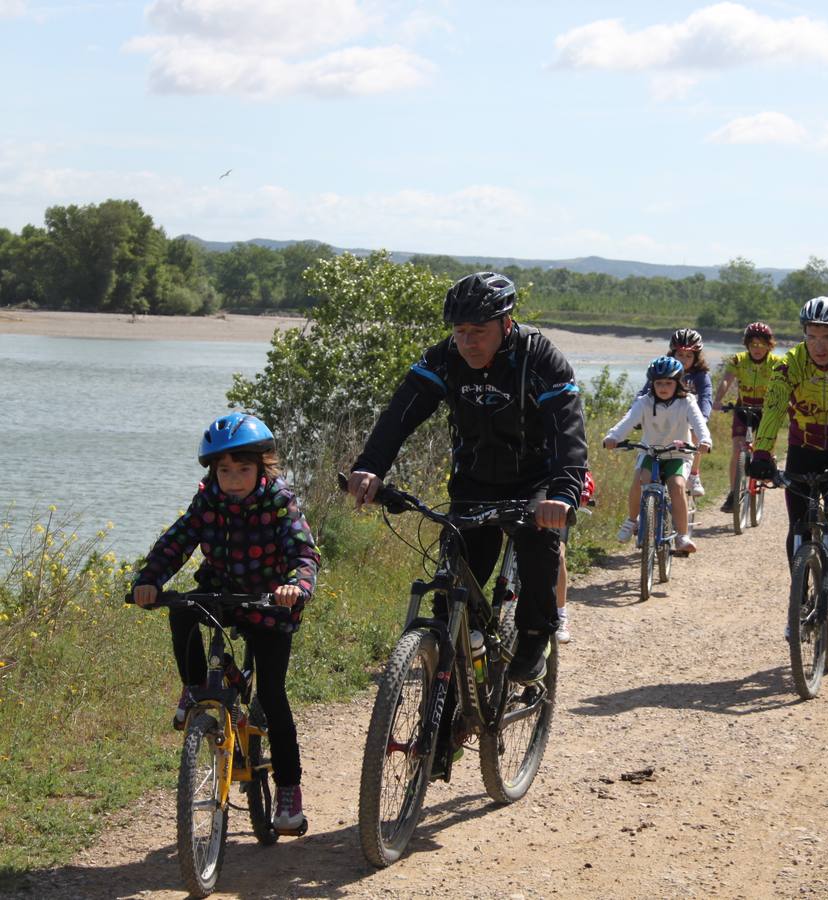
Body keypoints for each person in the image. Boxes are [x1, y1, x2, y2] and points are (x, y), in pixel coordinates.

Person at [347, 271, 586, 685]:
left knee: (536, 545)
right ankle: (448, 714)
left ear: (506, 325)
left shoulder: (540, 357)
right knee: (452, 595)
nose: (468, 342)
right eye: (460, 331)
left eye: (479, 331)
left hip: (537, 481)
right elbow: (400, 414)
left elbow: (568, 428)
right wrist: (370, 466)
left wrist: (564, 492)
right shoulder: (445, 358)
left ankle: (534, 636)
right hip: (474, 480)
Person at [133, 413, 320, 834]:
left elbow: (304, 553)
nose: (233, 479)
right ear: (213, 471)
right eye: (224, 470)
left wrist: (295, 586)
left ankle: (288, 791)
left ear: (262, 467)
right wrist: (149, 579)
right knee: (181, 607)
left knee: (272, 695)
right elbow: (177, 540)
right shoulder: (208, 500)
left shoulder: (279, 500)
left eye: (243, 469)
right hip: (221, 594)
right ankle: (197, 687)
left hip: (270, 603)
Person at [747, 297, 828, 586]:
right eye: (811, 337)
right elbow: (774, 407)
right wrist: (761, 453)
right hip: (804, 444)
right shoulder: (791, 364)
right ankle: (800, 593)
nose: (818, 346)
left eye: (826, 337)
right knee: (797, 526)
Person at [604, 356, 712, 554]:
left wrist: (705, 440)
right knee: (639, 480)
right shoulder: (644, 402)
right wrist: (613, 436)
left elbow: (699, 423)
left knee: (678, 485)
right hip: (650, 452)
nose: (663, 387)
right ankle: (631, 520)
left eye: (668, 383)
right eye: (659, 383)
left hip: (678, 455)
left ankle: (681, 535)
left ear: (677, 383)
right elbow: (628, 421)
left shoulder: (687, 401)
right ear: (652, 384)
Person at [712, 321, 784, 514]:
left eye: (761, 344)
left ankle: (770, 463)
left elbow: (785, 384)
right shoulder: (738, 360)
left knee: (764, 448)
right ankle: (733, 493)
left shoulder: (777, 363)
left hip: (766, 410)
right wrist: (717, 400)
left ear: (769, 345)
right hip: (743, 408)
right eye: (753, 344)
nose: (757, 349)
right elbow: (727, 380)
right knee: (737, 449)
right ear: (747, 345)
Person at [642, 329, 713, 498]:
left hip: (690, 417)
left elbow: (706, 397)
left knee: (694, 433)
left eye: (689, 356)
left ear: (697, 357)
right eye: (680, 355)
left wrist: (702, 418)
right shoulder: (663, 371)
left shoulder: (700, 376)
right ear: (672, 353)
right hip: (665, 417)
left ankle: (694, 475)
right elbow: (645, 392)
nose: (684, 360)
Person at [555, 469, 596, 644]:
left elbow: (575, 459)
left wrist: (581, 489)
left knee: (557, 554)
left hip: (554, 497)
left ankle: (560, 615)